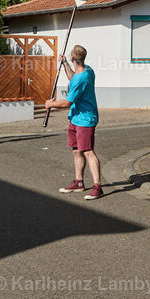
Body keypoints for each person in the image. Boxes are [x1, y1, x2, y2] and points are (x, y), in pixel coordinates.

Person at [45, 45, 102, 200]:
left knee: (88, 151)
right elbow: (73, 76)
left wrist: (50, 104)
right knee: (77, 150)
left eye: (69, 58)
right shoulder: (88, 70)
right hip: (76, 118)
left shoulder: (81, 79)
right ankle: (79, 182)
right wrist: (64, 64)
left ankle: (97, 186)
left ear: (72, 58)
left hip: (85, 119)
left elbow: (67, 103)